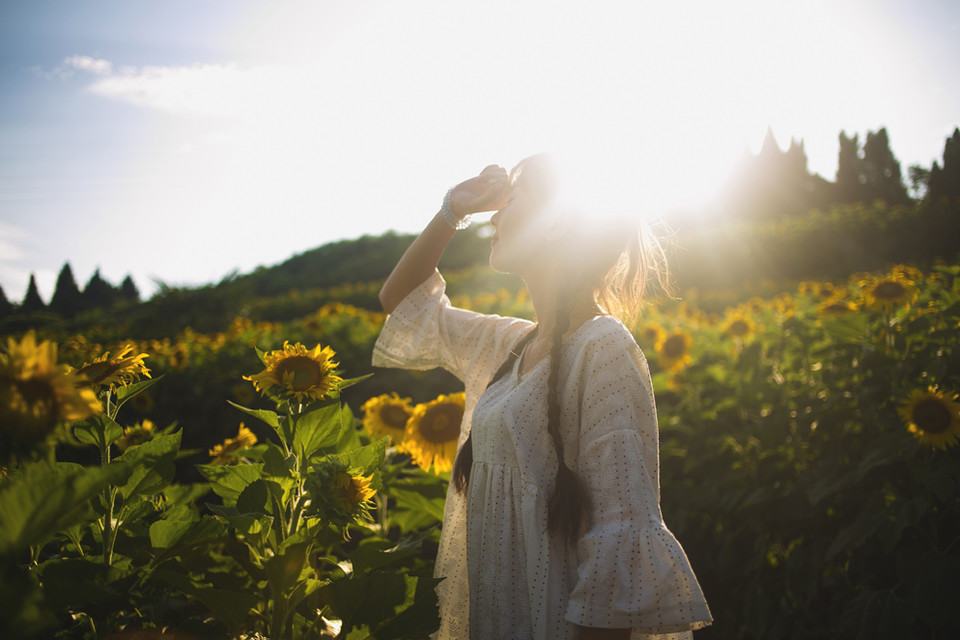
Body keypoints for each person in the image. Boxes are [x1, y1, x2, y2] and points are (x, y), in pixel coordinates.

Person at [373, 154, 712, 640]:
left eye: (512, 199)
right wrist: (453, 209)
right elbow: (402, 304)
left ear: (557, 222)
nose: (494, 216)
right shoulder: (507, 344)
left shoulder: (602, 347)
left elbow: (620, 535)